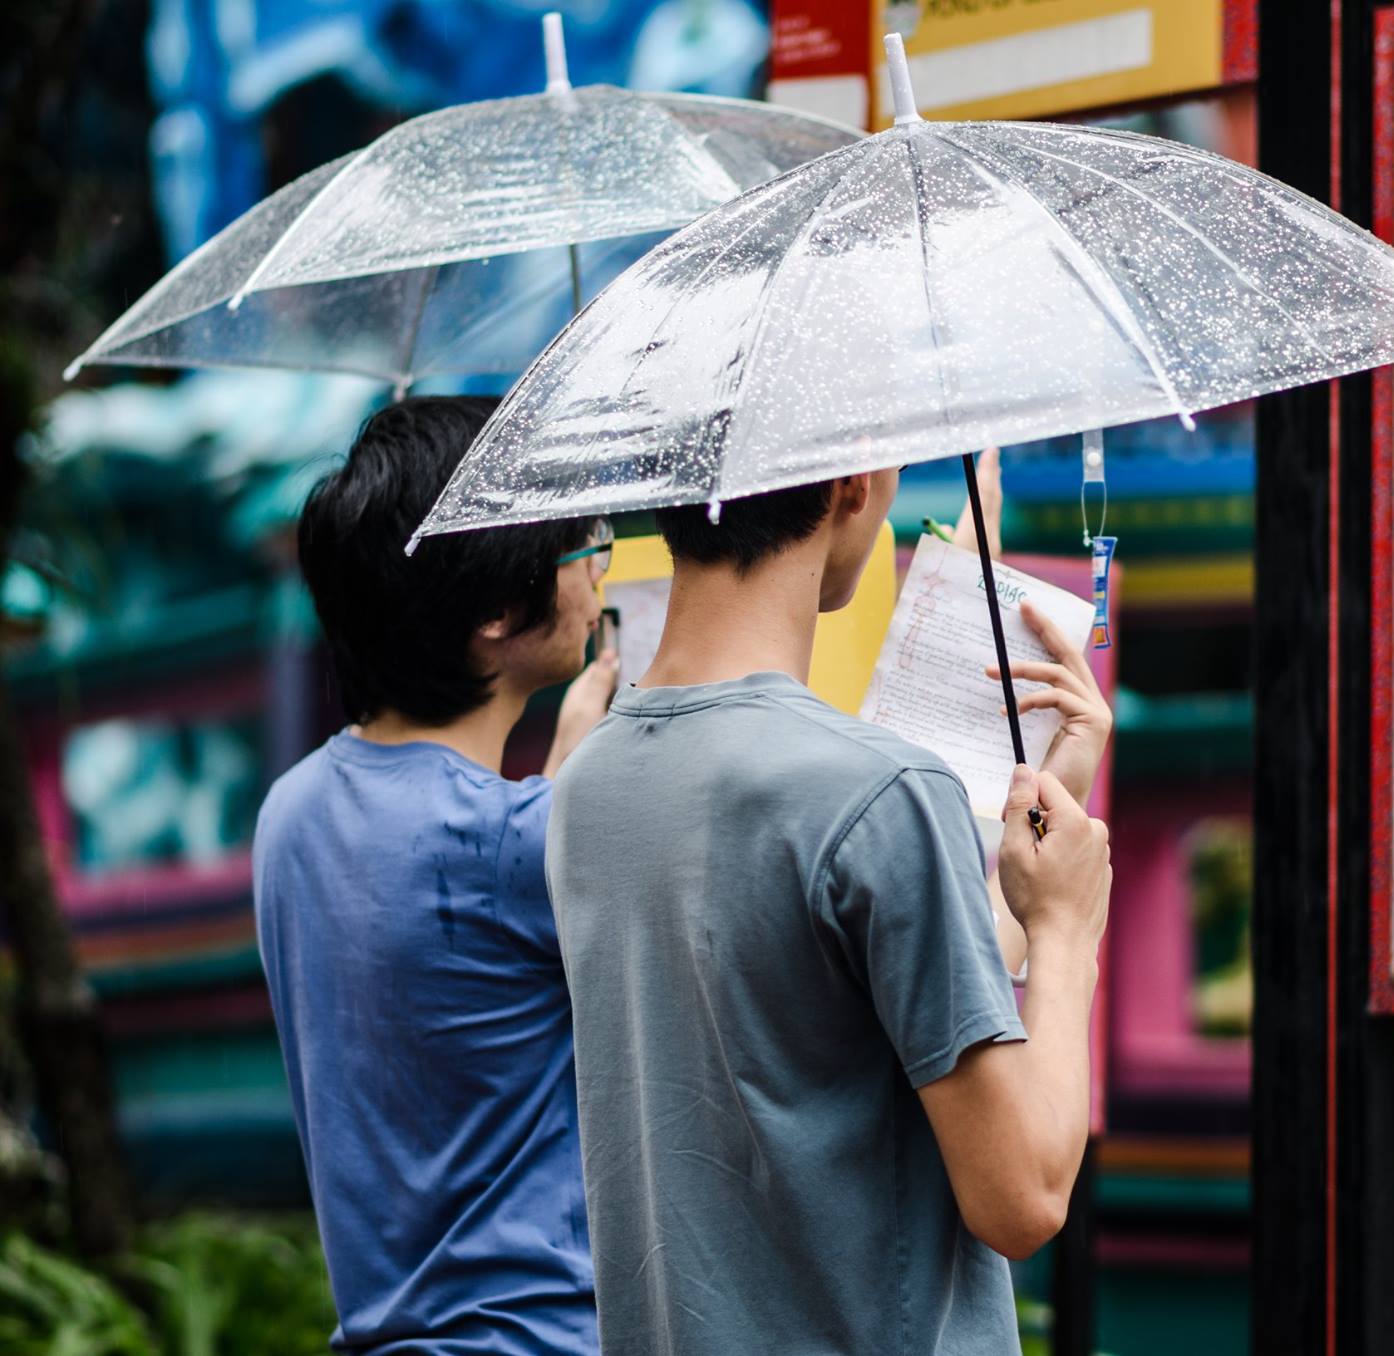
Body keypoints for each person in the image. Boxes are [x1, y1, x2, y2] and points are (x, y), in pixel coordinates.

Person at [546, 462, 1114, 1355]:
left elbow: (849, 1027)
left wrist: (1023, 873)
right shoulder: (880, 792)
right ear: (855, 483)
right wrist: (1067, 929)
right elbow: (1024, 1195)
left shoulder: (586, 784)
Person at [252, 396, 619, 1354]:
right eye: (585, 544)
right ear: (496, 610)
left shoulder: (289, 812)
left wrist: (557, 794)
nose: (600, 565)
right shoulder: (520, 843)